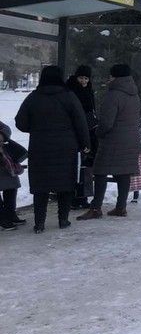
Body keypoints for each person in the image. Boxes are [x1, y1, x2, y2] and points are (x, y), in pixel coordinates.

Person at [15, 65, 90, 233]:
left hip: (39, 146)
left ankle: (39, 223)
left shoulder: (33, 97)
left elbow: (20, 122)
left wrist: (36, 129)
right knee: (65, 183)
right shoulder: (69, 96)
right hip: (66, 146)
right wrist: (85, 144)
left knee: (40, 186)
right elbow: (81, 122)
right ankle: (63, 220)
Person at [78, 64, 141, 220]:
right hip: (131, 139)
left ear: (116, 77)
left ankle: (95, 208)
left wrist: (97, 133)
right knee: (124, 173)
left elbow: (106, 123)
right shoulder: (134, 94)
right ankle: (121, 207)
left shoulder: (113, 95)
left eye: (111, 75)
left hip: (113, 140)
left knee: (100, 171)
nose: (109, 78)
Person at [66, 64, 98, 209]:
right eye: (81, 78)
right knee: (76, 166)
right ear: (76, 77)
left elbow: (91, 109)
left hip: (89, 132)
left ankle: (83, 196)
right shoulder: (70, 90)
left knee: (86, 166)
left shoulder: (89, 90)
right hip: (74, 133)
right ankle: (73, 197)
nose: (83, 81)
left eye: (86, 78)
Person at [0, 121, 25, 230]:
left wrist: (1, 135)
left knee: (11, 185)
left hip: (3, 158)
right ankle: (2, 219)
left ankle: (10, 214)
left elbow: (6, 128)